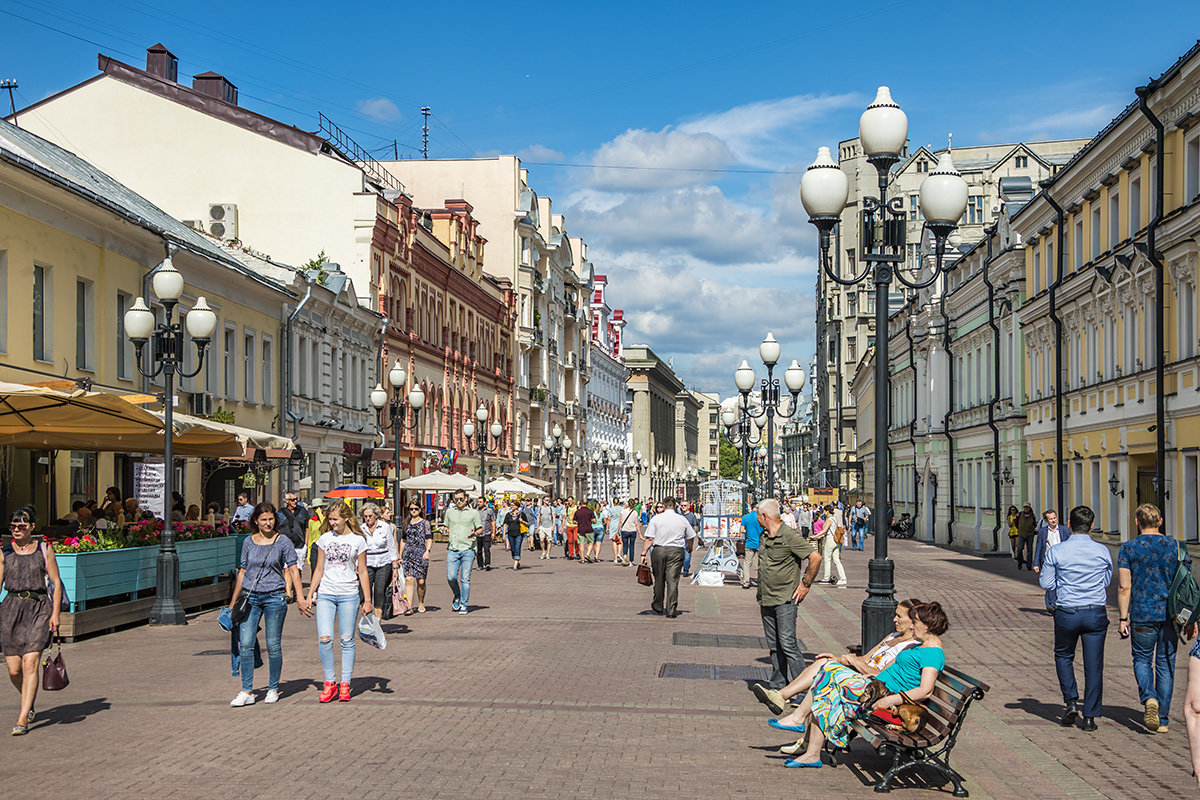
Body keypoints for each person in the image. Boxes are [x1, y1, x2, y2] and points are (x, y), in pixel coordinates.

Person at [780, 602, 949, 768]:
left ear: (927, 626)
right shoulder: (921, 646)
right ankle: (811, 752)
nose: (911, 627)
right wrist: (870, 675)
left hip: (886, 701)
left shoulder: (933, 653)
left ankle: (801, 725)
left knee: (829, 672)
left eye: (915, 622)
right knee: (828, 689)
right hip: (877, 688)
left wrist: (889, 701)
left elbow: (925, 691)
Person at [756, 598, 923, 732]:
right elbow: (866, 658)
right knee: (825, 662)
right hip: (861, 674)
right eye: (895, 615)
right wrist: (840, 659)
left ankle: (794, 713)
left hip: (871, 687)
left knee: (826, 673)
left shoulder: (910, 647)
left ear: (912, 622)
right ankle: (782, 698)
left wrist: (851, 661)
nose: (894, 619)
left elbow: (879, 673)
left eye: (899, 616)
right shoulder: (893, 636)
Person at [226, 502, 305, 707]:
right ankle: (247, 690)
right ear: (256, 521)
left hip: (274, 597)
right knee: (246, 644)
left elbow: (294, 569)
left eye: (270, 519)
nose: (268, 523)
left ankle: (272, 687)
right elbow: (242, 572)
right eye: (263, 520)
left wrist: (301, 597)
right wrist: (233, 602)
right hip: (250, 598)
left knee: (273, 645)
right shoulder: (248, 542)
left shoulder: (282, 541)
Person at [1039, 505, 1110, 731]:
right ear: (1091, 526)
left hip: (1068, 610)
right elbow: (1106, 581)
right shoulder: (1102, 551)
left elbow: (1046, 583)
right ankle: (1089, 717)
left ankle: (1070, 700)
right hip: (1095, 611)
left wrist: (1065, 584)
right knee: (1094, 664)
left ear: (1069, 525)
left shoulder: (1057, 551)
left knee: (1063, 655)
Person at [1117, 503, 1184, 733]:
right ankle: (1163, 720)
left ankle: (1149, 698)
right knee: (1166, 664)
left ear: (1137, 522)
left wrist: (1123, 618)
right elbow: (1184, 585)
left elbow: (1124, 588)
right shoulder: (1176, 547)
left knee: (1142, 659)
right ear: (1160, 521)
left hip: (1142, 613)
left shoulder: (1129, 548)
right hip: (1171, 614)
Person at [0, 508, 61, 735]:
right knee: (14, 669)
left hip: (38, 608)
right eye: (13, 526)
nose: (17, 530)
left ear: (32, 527)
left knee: (30, 663)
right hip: (11, 610)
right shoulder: (4, 553)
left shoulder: (45, 550)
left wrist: (55, 614)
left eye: (22, 526)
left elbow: (56, 582)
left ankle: (23, 717)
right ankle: (29, 699)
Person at [304, 500, 372, 703]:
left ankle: (345, 684)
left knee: (346, 639)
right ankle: (329, 683)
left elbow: (362, 571)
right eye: (330, 519)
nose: (331, 523)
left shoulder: (358, 540)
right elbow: (319, 569)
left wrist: (367, 600)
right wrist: (310, 594)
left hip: (349, 593)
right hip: (326, 593)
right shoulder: (324, 539)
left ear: (346, 518)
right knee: (324, 638)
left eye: (335, 519)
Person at [752, 498, 821, 693]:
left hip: (785, 599)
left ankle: (806, 690)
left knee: (788, 644)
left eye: (758, 515)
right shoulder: (764, 536)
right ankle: (778, 688)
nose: (756, 518)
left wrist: (806, 584)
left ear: (765, 516)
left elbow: (815, 557)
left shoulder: (789, 536)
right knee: (774, 646)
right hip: (766, 597)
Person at [638, 497, 696, 618]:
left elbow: (649, 539)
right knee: (673, 580)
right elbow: (691, 535)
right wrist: (689, 547)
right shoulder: (682, 519)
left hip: (659, 550)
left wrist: (643, 553)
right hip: (676, 551)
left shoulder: (656, 519)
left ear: (664, 506)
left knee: (659, 579)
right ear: (675, 506)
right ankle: (671, 610)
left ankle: (658, 605)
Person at [444, 490, 481, 614]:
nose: (458, 501)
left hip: (468, 549)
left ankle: (464, 604)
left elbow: (480, 529)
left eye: (460, 499)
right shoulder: (449, 512)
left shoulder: (473, 513)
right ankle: (457, 595)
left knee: (465, 579)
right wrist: (445, 530)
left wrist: (475, 533)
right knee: (451, 577)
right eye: (456, 499)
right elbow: (446, 526)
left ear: (466, 498)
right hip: (453, 549)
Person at [360, 504, 398, 621]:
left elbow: (391, 546)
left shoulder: (385, 527)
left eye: (370, 516)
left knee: (379, 592)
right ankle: (368, 620)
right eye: (365, 516)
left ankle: (377, 623)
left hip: (383, 562)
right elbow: (358, 548)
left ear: (376, 515)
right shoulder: (361, 528)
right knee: (363, 592)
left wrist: (395, 566)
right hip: (367, 563)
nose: (368, 519)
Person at [1035, 509, 1071, 611]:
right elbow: (1039, 547)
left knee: (1061, 582)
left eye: (1054, 518)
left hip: (1062, 560)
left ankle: (1058, 603)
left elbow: (1069, 545)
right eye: (1051, 519)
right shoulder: (1043, 532)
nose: (1053, 520)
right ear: (1046, 521)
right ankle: (1050, 604)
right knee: (1049, 583)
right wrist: (1036, 564)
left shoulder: (1065, 530)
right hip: (1048, 560)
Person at [401, 500, 433, 614]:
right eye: (411, 509)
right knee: (409, 579)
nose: (413, 511)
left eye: (415, 509)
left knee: (421, 581)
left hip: (421, 553)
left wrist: (427, 551)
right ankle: (409, 607)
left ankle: (420, 602)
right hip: (408, 554)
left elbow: (429, 538)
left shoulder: (425, 523)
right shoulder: (406, 522)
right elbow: (403, 540)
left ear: (420, 510)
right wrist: (400, 555)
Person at [276, 491, 311, 568]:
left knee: (298, 569)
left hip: (300, 546)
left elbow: (307, 528)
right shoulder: (281, 513)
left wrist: (306, 543)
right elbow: (277, 528)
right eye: (292, 500)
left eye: (296, 499)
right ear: (287, 501)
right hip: (285, 546)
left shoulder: (302, 511)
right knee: (286, 569)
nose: (295, 501)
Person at [821, 507, 847, 587]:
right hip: (836, 541)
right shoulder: (835, 519)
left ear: (827, 511)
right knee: (836, 560)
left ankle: (826, 578)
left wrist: (816, 536)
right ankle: (843, 579)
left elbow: (824, 531)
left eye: (824, 511)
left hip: (830, 540)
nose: (824, 513)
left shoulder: (829, 520)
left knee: (827, 558)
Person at [741, 500, 763, 590]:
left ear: (751, 507)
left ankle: (746, 582)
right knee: (761, 564)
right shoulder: (761, 517)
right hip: (761, 543)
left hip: (749, 543)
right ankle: (761, 583)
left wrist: (748, 532)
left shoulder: (745, 517)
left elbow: (742, 530)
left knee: (747, 564)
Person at [305, 499, 326, 573]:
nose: (317, 509)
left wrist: (320, 514)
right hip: (315, 546)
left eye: (320, 507)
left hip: (324, 546)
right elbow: (311, 537)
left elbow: (325, 527)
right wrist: (309, 552)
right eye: (315, 508)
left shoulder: (326, 518)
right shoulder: (311, 521)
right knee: (314, 570)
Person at [503, 498, 525, 570]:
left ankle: (515, 564)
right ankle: (516, 560)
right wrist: (504, 534)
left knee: (517, 548)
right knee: (512, 549)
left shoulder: (522, 514)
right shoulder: (508, 514)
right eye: (511, 505)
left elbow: (527, 524)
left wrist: (522, 521)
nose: (511, 506)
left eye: (513, 505)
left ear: (517, 506)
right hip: (510, 534)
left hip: (519, 534)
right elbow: (505, 524)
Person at [618, 498, 640, 566]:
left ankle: (624, 555)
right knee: (632, 546)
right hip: (633, 530)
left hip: (624, 530)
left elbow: (620, 522)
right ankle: (631, 562)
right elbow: (636, 523)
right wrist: (639, 533)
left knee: (625, 544)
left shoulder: (623, 511)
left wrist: (617, 531)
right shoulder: (635, 512)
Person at [681, 502, 701, 577]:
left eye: (685, 505)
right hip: (679, 538)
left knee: (687, 555)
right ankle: (685, 565)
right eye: (682, 505)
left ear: (689, 506)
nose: (683, 507)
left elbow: (695, 526)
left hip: (688, 538)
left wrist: (697, 536)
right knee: (679, 556)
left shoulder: (692, 516)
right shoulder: (679, 515)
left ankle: (685, 570)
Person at [1015, 504, 1037, 570]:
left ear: (1030, 508)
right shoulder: (1019, 514)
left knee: (1029, 550)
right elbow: (1016, 523)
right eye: (1025, 507)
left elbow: (1034, 524)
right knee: (1019, 549)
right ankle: (1020, 562)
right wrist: (1020, 529)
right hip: (1021, 534)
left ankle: (1029, 565)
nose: (1026, 509)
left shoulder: (1032, 516)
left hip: (1030, 534)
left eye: (1027, 507)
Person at [475, 497, 495, 571]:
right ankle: (480, 564)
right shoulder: (475, 511)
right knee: (479, 550)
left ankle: (487, 564)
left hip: (487, 532)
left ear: (484, 502)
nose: (478, 503)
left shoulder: (489, 511)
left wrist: (493, 532)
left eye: (480, 502)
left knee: (487, 548)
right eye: (478, 502)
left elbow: (493, 521)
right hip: (478, 533)